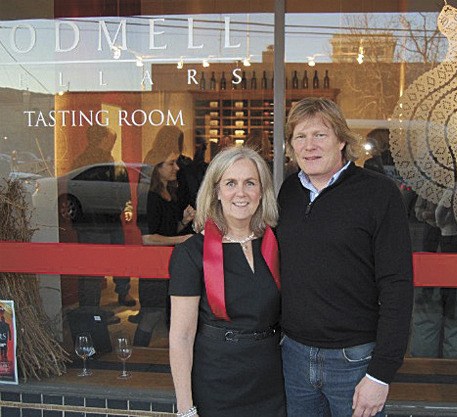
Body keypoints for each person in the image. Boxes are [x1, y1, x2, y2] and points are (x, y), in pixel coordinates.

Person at [276, 97, 413, 417]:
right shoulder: (288, 193)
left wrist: (381, 373)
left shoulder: (379, 194)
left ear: (341, 140)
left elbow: (397, 284)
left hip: (354, 362)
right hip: (293, 357)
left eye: (319, 135)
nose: (309, 145)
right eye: (300, 137)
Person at [168, 147, 285, 417]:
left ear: (262, 191)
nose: (240, 193)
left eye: (250, 183)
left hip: (272, 380)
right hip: (217, 381)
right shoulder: (191, 253)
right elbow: (182, 337)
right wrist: (185, 410)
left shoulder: (277, 243)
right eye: (230, 183)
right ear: (216, 191)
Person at [411, 132, 457, 359]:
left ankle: (422, 381)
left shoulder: (434, 180)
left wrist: (433, 219)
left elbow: (420, 212)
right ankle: (456, 382)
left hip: (432, 248)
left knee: (426, 316)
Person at [133, 127, 195, 346]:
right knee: (151, 316)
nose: (177, 168)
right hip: (153, 267)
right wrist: (181, 239)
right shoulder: (150, 196)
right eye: (171, 164)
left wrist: (184, 222)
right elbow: (148, 238)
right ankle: (138, 356)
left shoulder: (170, 192)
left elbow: (167, 230)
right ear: (157, 168)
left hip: (168, 265)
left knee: (167, 315)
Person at [71, 125, 134, 325]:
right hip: (95, 222)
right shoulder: (92, 161)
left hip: (103, 220)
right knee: (94, 266)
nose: (113, 142)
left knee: (111, 261)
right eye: (110, 139)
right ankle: (91, 311)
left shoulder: (104, 159)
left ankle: (95, 307)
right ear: (102, 139)